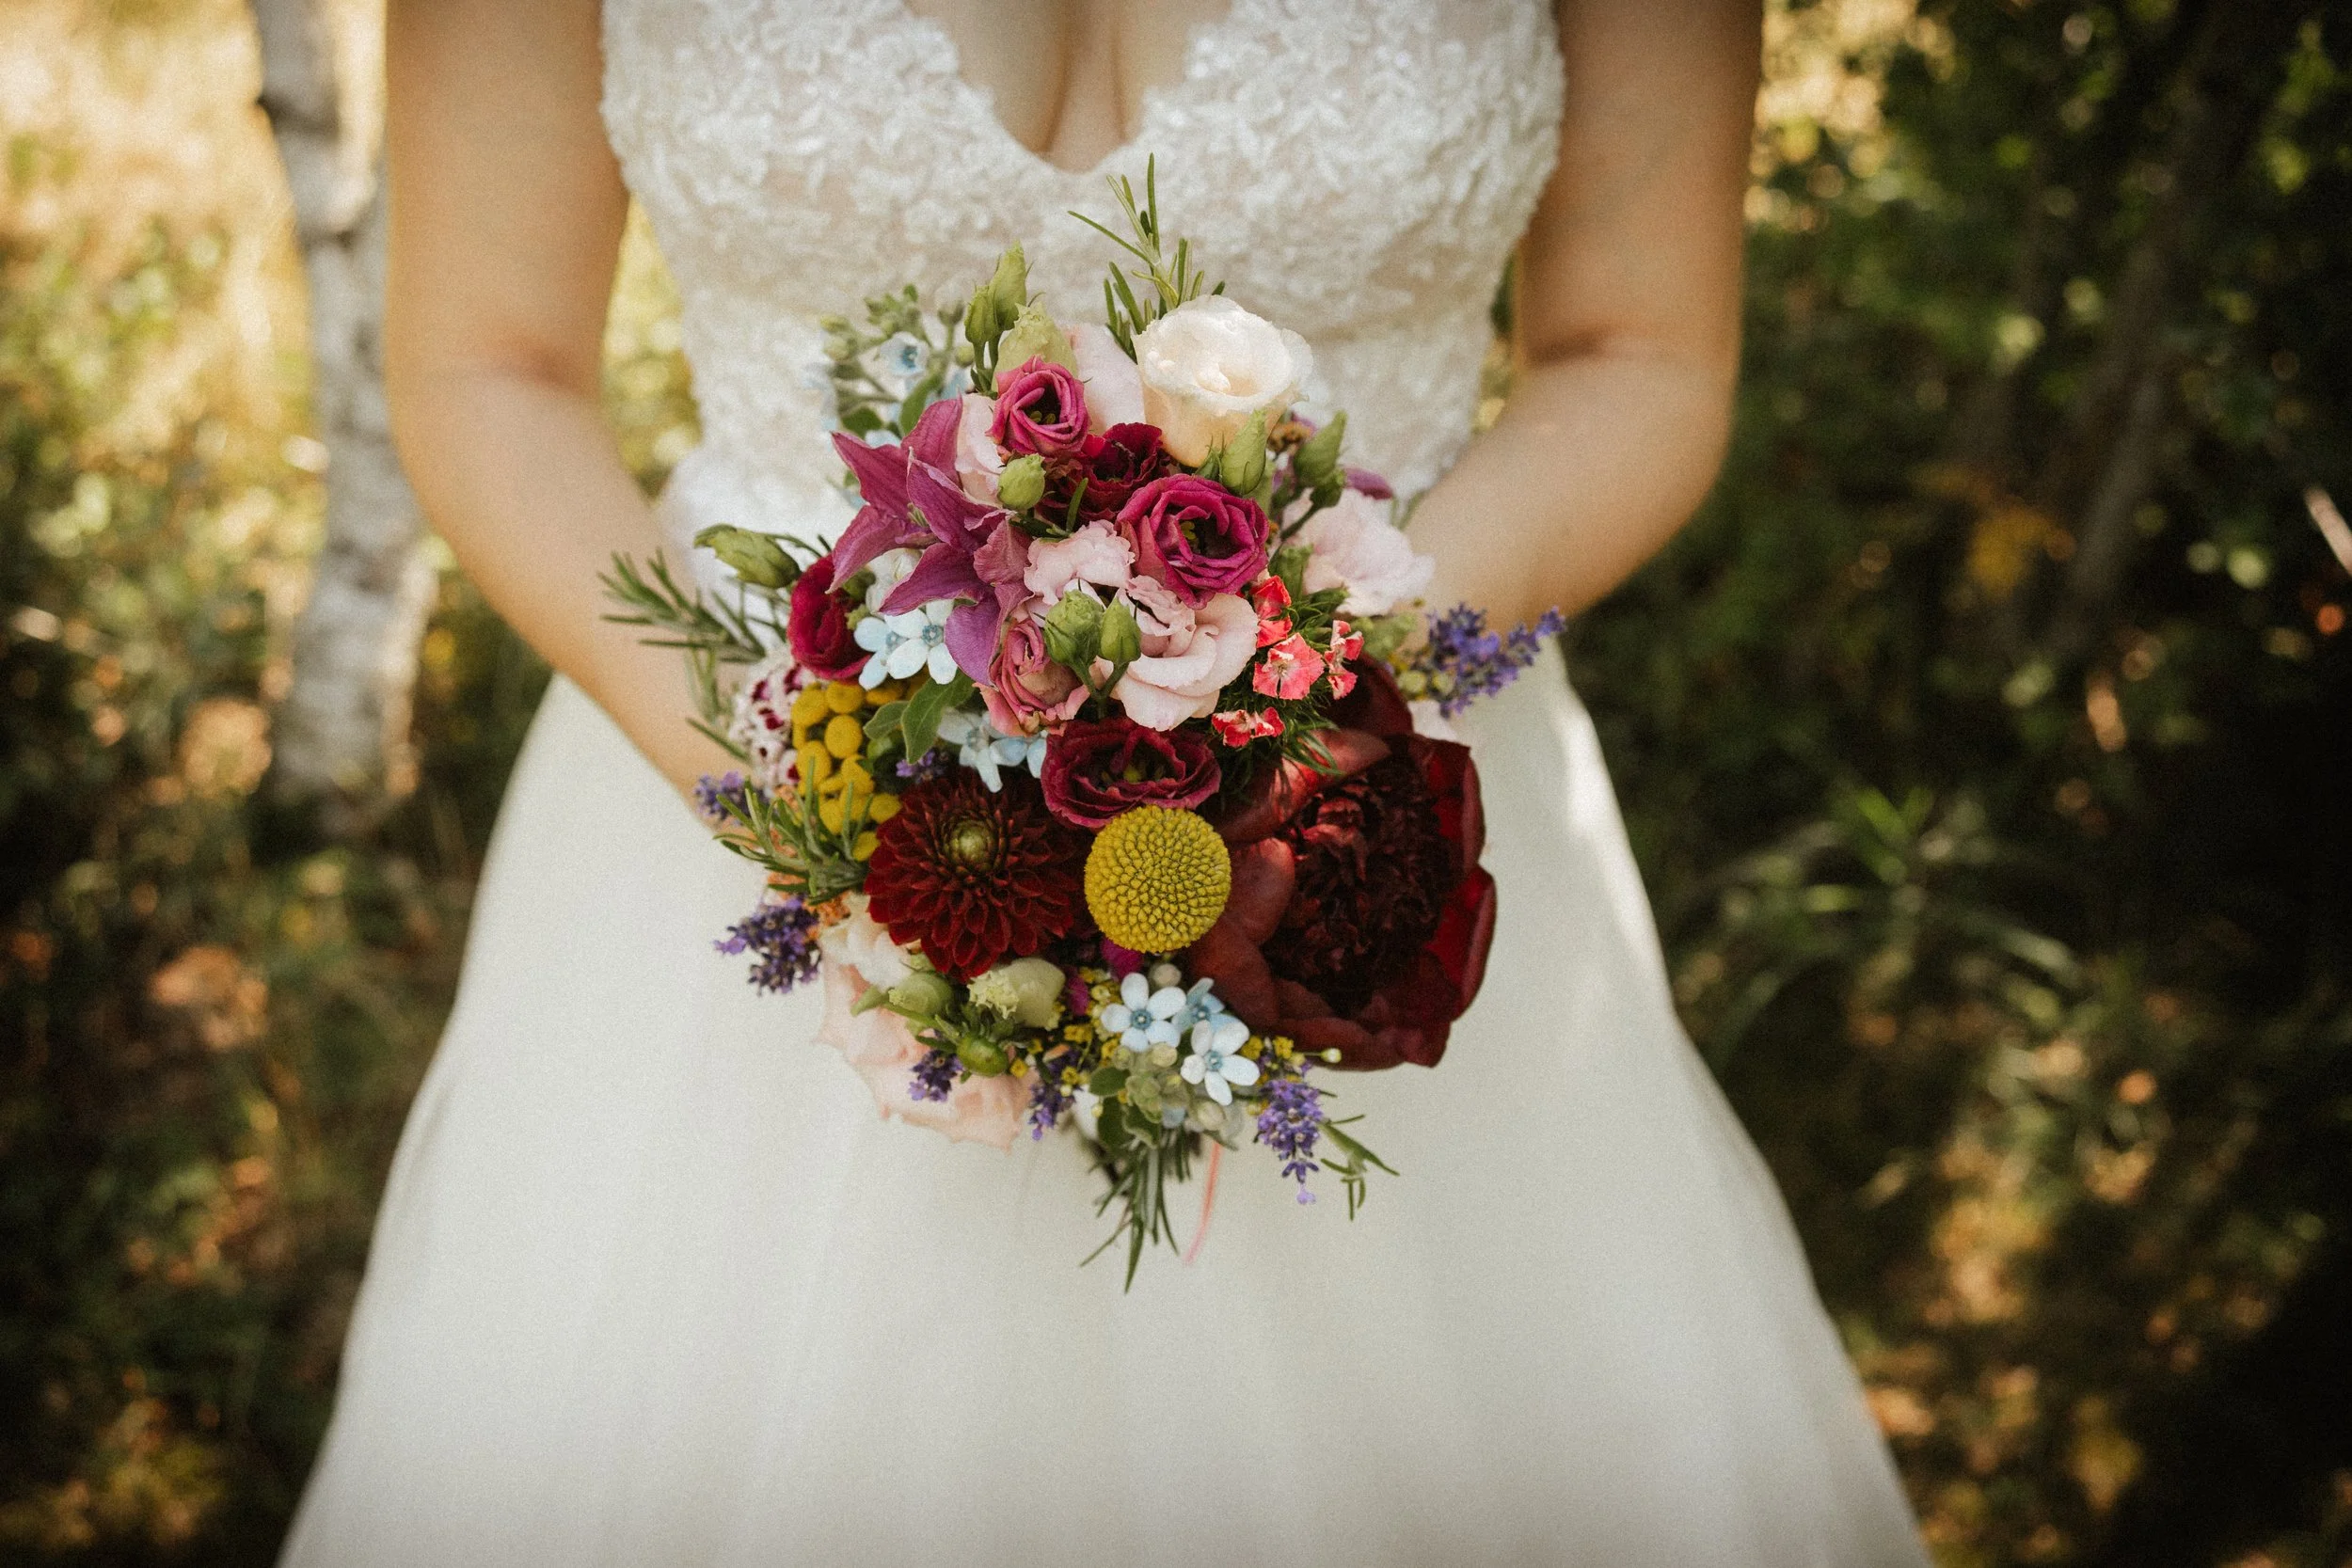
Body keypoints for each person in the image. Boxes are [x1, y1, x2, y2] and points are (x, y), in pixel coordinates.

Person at [282, 2, 1931, 1562]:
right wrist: (824, 801)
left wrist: (1286, 722)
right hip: (729, 785)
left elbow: (1636, 351)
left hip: (1366, 803)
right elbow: (486, 364)